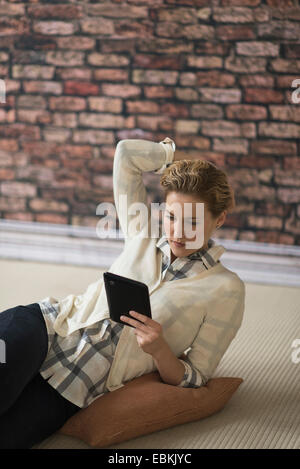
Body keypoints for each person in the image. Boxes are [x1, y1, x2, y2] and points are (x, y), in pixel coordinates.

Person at [0, 137, 245, 448]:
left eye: (192, 221)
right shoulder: (142, 231)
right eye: (171, 216)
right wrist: (172, 159)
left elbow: (196, 376)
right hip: (46, 326)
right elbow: (125, 155)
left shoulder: (226, 290)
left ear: (219, 219)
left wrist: (160, 350)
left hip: (76, 387)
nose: (178, 232)